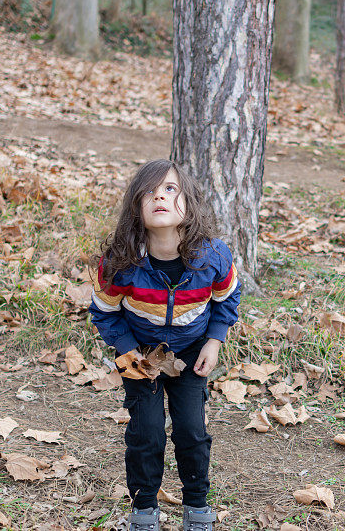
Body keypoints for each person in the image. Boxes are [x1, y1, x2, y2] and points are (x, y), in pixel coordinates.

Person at [89, 159, 241, 531]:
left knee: (191, 429)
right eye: (149, 192)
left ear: (187, 202)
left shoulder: (214, 257)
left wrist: (214, 342)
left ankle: (197, 505)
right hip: (138, 353)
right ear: (136, 208)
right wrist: (127, 351)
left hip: (191, 354)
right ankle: (143, 508)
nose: (159, 196)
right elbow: (104, 313)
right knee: (147, 431)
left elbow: (227, 300)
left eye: (170, 189)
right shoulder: (119, 263)